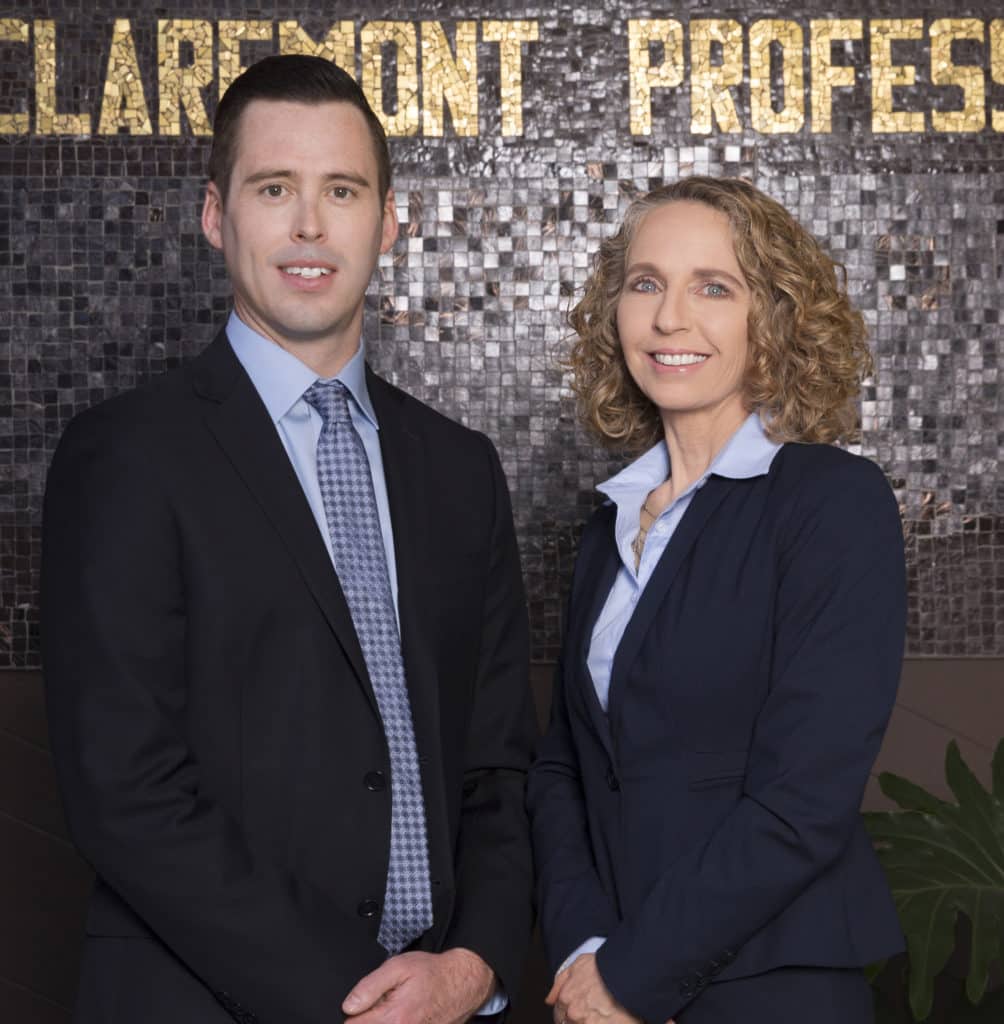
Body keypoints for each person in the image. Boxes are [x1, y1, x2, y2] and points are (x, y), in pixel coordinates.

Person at [43, 54, 536, 1024]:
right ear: (215, 215)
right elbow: (126, 790)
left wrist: (471, 965)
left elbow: (497, 763)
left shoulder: (459, 468)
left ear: (387, 220)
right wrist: (353, 1001)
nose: (310, 225)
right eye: (274, 188)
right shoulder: (125, 456)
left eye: (341, 191)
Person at [527, 176, 906, 1024]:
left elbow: (804, 797)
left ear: (773, 318)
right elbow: (565, 769)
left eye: (713, 288)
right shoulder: (610, 523)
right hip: (602, 985)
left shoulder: (831, 503)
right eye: (646, 283)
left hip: (775, 986)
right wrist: (585, 951)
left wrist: (634, 973)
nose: (670, 318)